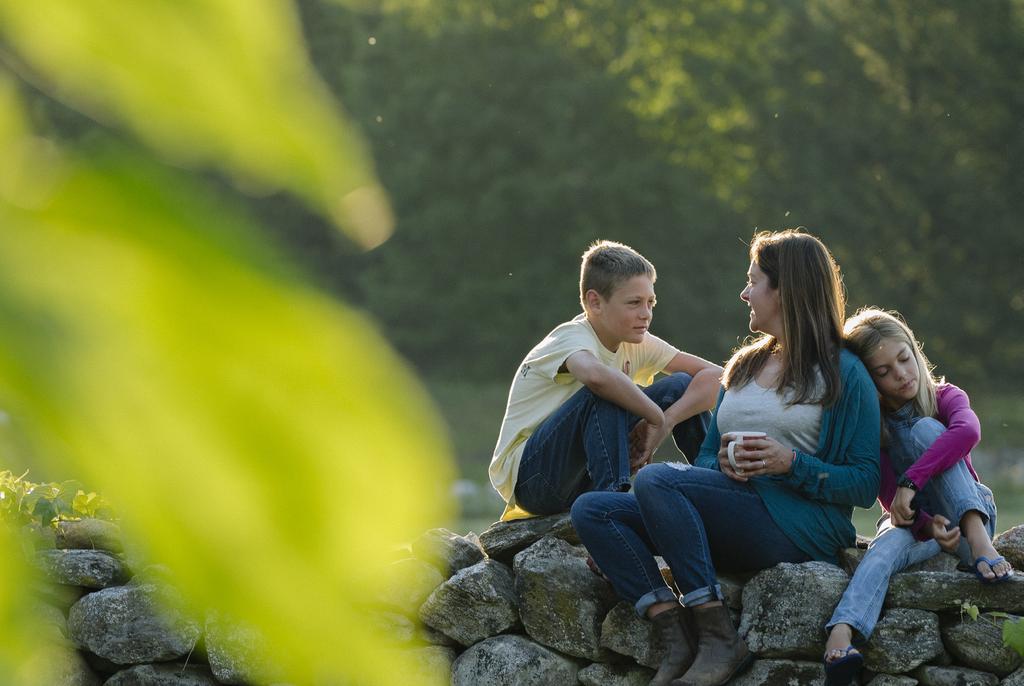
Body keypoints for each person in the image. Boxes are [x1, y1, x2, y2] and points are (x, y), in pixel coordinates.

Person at [571, 229, 880, 686]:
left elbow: (864, 483)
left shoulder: (844, 373)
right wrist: (723, 467)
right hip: (733, 512)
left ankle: (718, 636)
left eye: (753, 281)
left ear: (785, 291)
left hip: (794, 527)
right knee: (593, 511)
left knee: (657, 480)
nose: (745, 293)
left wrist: (790, 464)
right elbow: (709, 460)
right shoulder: (746, 365)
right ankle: (675, 638)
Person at [821, 308, 1012, 686]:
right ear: (870, 381)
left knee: (927, 429)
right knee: (884, 547)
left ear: (914, 350)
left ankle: (980, 543)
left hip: (970, 512)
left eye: (904, 359)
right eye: (883, 372)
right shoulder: (874, 431)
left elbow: (967, 433)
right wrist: (927, 522)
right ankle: (842, 632)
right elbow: (892, 499)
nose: (901, 374)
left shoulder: (945, 397)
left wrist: (914, 480)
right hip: (919, 526)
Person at [488, 240, 722, 522]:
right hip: (534, 480)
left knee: (681, 384)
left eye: (650, 302)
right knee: (605, 391)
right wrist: (655, 418)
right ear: (594, 302)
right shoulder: (570, 337)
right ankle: (611, 512)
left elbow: (719, 379)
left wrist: (669, 420)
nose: (646, 313)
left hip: (581, 474)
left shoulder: (637, 340)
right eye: (634, 303)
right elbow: (596, 377)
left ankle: (714, 491)